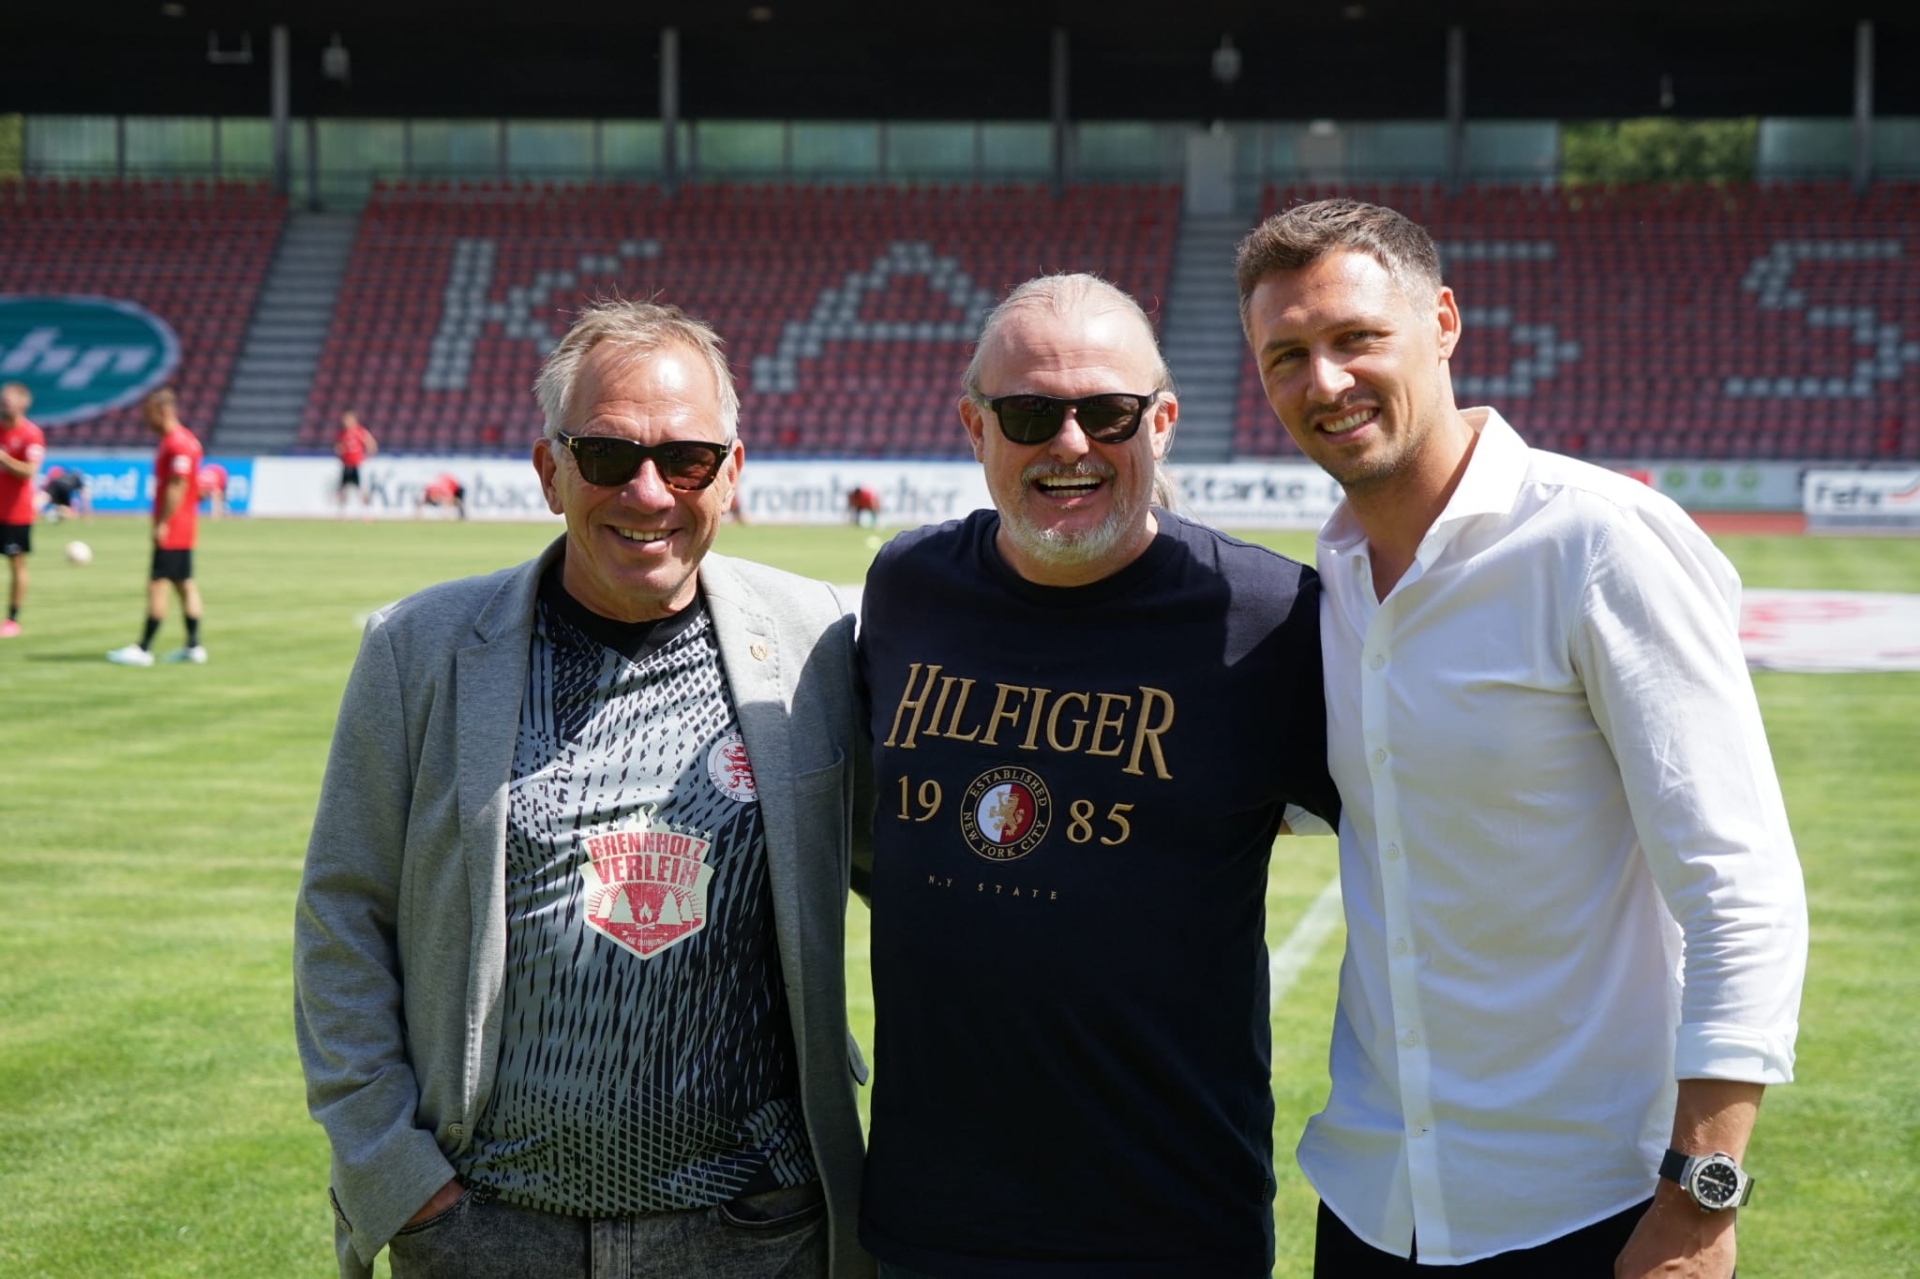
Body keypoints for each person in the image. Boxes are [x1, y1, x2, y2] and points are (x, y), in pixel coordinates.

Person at [1235, 198, 1808, 1276]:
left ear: (1443, 323)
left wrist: (1701, 1201)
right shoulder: (1332, 583)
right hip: (1371, 1203)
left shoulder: (1598, 541)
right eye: (1288, 355)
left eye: (1357, 337)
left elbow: (1739, 886)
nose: (1326, 380)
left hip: (1584, 1209)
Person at [294, 300, 875, 1279]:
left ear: (732, 472)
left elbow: (925, 889)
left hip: (758, 1229)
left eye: (686, 459)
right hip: (489, 1229)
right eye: (607, 455)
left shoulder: (817, 641)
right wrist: (397, 1175)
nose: (648, 491)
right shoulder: (417, 648)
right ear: (550, 471)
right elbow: (342, 918)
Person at [855, 273, 1341, 1278]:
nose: (1070, 443)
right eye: (1030, 414)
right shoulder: (906, 588)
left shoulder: (1269, 616)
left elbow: (1426, 838)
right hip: (925, 1220)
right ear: (975, 427)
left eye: (1108, 412)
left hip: (1169, 1224)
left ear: (1160, 422)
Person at [107, 388, 206, 666]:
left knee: (157, 583)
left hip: (174, 527)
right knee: (184, 583)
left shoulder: (177, 443)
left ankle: (144, 648)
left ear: (163, 411)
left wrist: (162, 522)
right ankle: (193, 646)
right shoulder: (188, 440)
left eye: (148, 413)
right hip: (185, 525)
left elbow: (178, 484)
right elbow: (195, 487)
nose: (144, 419)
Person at [0, 381, 46, 638]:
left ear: (23, 403)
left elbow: (29, 471)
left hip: (16, 513)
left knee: (16, 564)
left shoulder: (31, 434)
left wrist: (4, 459)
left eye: (8, 400)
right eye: (2, 399)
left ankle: (12, 619)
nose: (4, 403)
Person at [335, 409, 378, 516]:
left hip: (358, 465)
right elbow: (338, 447)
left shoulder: (360, 431)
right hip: (346, 465)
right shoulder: (342, 433)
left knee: (362, 489)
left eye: (347, 419)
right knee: (343, 489)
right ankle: (342, 512)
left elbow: (371, 444)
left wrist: (367, 457)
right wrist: (339, 451)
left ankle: (366, 512)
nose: (345, 422)